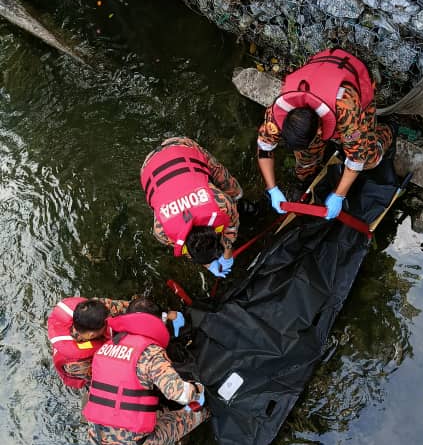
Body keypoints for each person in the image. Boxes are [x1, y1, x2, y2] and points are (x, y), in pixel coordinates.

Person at [257, 48, 394, 220]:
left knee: (369, 159)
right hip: (320, 75)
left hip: (353, 87)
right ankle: (308, 177)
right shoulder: (279, 112)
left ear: (320, 130)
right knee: (304, 160)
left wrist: (339, 195)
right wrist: (272, 189)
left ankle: (387, 132)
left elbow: (357, 158)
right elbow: (264, 148)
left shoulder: (345, 108)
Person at [83, 295, 209, 445]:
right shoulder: (150, 353)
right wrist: (198, 390)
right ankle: (170, 444)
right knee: (200, 411)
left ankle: (162, 435)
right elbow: (181, 394)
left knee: (159, 408)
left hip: (95, 436)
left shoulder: (107, 347)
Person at [140, 136, 244, 277]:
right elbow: (189, 248)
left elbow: (231, 227)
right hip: (159, 160)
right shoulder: (161, 231)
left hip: (167, 156)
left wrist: (227, 254)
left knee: (234, 192)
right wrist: (208, 263)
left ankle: (239, 198)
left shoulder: (221, 203)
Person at [47, 296, 130, 389]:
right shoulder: (76, 365)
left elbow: (129, 307)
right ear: (91, 335)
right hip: (83, 371)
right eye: (106, 324)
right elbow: (101, 376)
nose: (108, 323)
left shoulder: (98, 307)